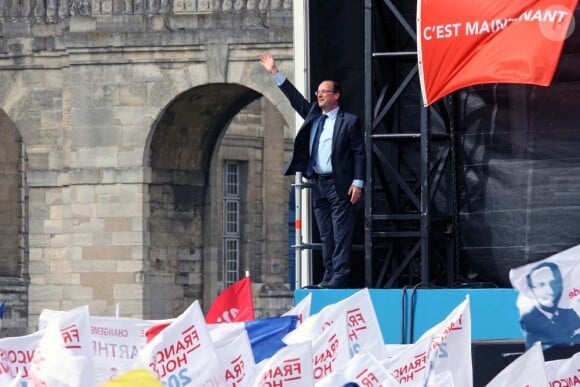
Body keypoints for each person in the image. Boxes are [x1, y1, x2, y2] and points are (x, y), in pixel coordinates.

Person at [259, 53, 365, 289]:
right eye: (318, 92)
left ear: (336, 96)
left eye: (324, 92)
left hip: (341, 184)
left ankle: (340, 275)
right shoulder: (315, 117)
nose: (319, 95)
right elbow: (295, 99)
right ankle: (328, 276)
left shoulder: (349, 121)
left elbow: (359, 152)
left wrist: (358, 182)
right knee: (325, 233)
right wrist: (275, 72)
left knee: (341, 233)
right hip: (319, 183)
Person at [520, 261, 580, 349]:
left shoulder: (570, 313)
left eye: (554, 283)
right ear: (531, 290)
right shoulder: (527, 321)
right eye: (541, 285)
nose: (550, 291)